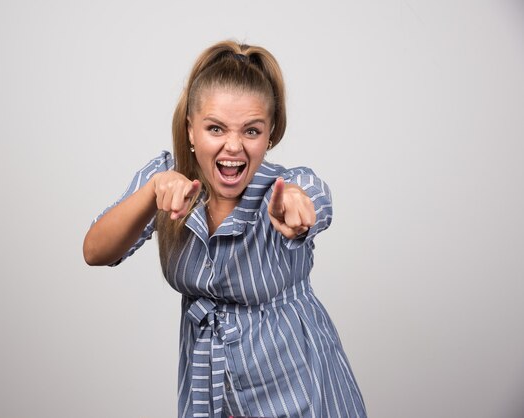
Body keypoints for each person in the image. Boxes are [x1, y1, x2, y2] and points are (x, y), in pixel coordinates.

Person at [83, 40, 366, 418]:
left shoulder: (284, 187)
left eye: (251, 131)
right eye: (215, 128)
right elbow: (95, 251)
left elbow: (311, 199)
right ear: (190, 130)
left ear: (270, 135)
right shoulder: (167, 179)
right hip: (210, 390)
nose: (233, 146)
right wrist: (152, 193)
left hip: (299, 391)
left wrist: (299, 209)